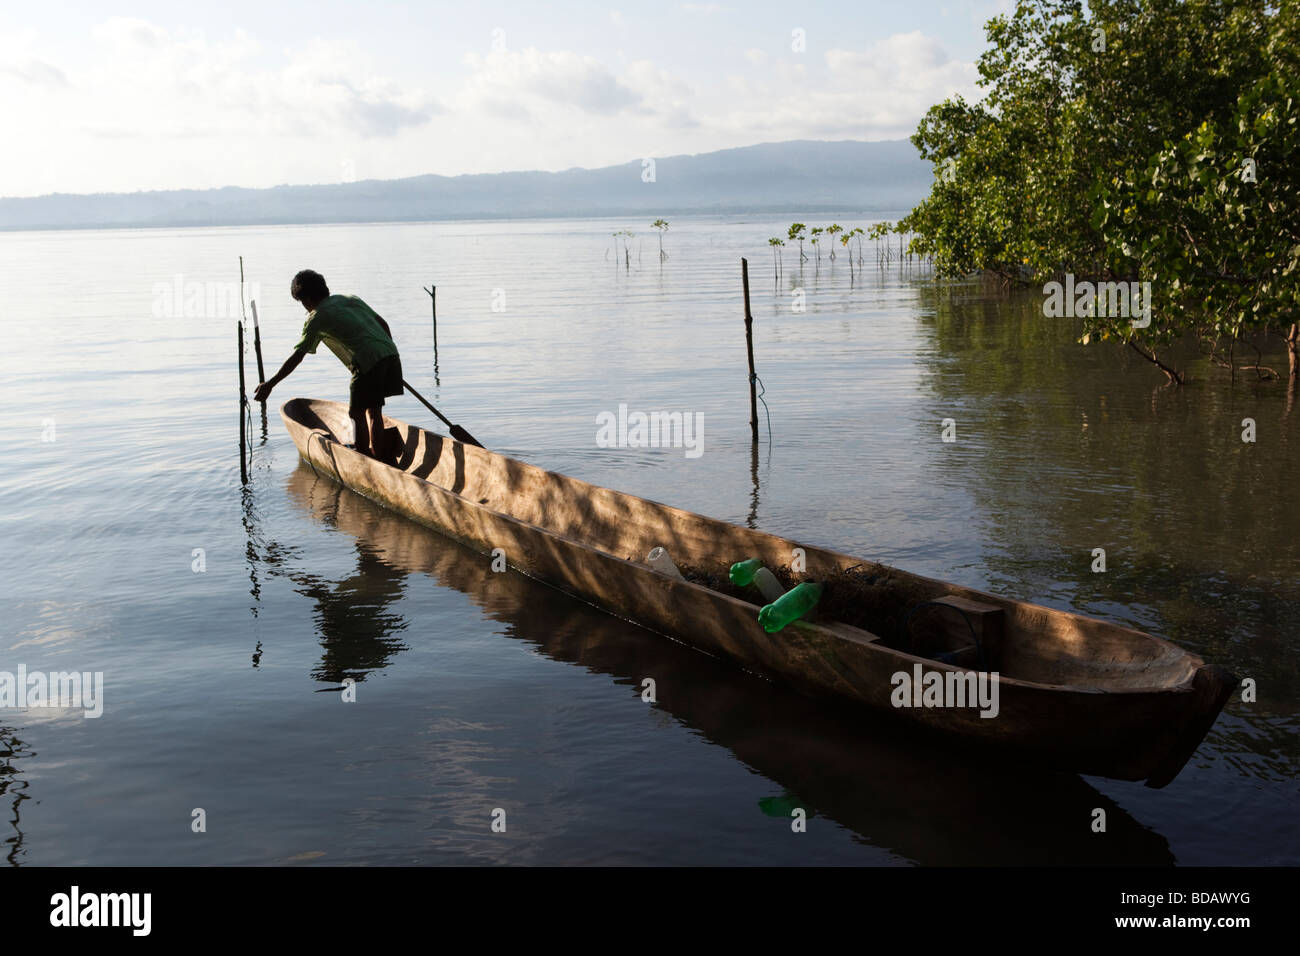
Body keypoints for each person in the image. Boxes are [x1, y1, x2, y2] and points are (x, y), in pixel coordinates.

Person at [254, 270, 403, 460]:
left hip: (367, 361)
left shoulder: (317, 317)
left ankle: (365, 460)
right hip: (390, 353)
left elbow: (297, 357)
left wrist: (270, 384)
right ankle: (379, 457)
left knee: (356, 412)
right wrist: (385, 354)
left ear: (306, 299)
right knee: (374, 411)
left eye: (302, 303)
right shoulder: (349, 299)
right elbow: (382, 323)